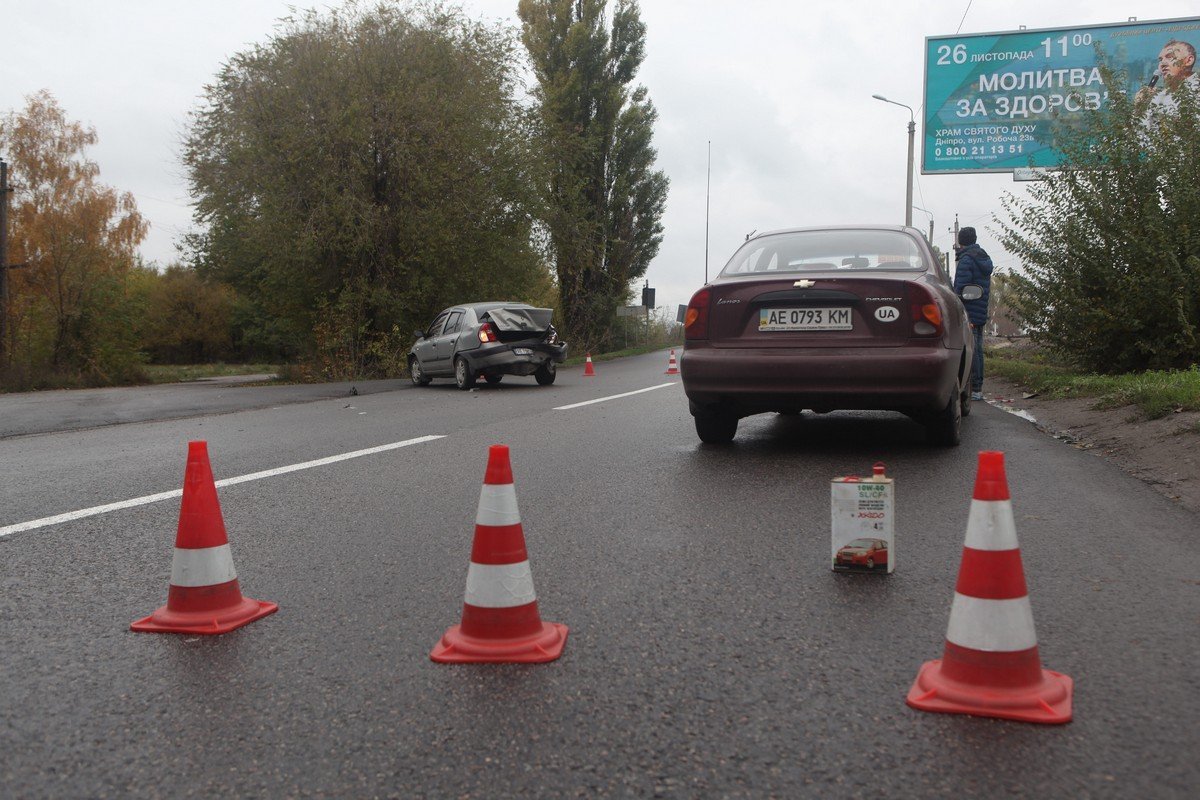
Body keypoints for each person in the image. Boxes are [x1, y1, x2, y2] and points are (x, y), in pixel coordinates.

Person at [953, 227, 993, 401]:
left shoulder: (966, 260)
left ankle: (975, 389)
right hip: (981, 308)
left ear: (961, 241)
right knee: (978, 350)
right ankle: (978, 387)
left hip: (969, 311)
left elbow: (959, 289)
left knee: (972, 349)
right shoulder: (983, 257)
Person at [1136, 39, 1198, 117]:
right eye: (1160, 60)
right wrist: (1140, 108)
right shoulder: (1158, 97)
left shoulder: (1197, 91)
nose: (1162, 64)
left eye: (1170, 57)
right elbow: (1141, 129)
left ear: (1189, 60)